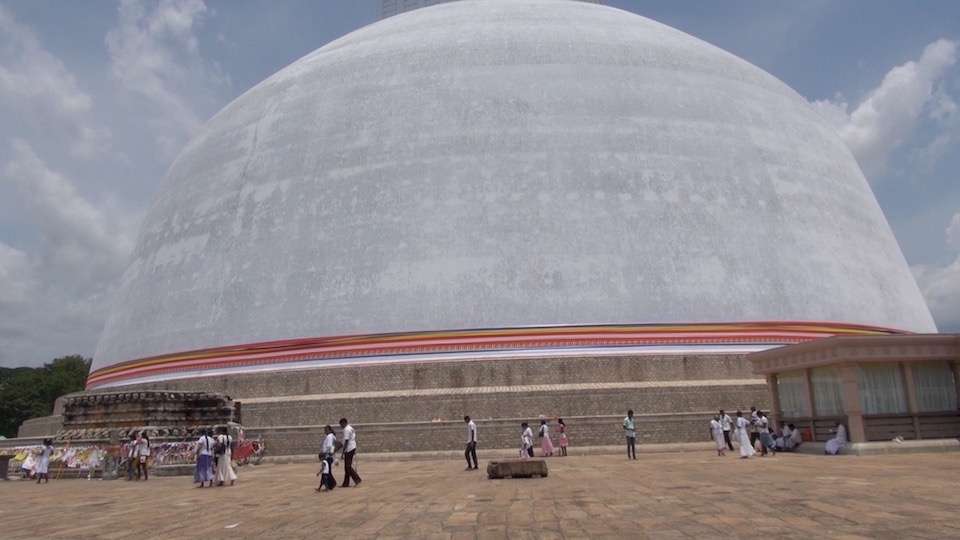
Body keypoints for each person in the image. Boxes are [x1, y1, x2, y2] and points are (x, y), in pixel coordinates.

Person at [339, 418, 362, 487]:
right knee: (346, 467)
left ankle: (357, 479)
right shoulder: (350, 428)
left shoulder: (346, 429)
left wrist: (343, 452)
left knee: (348, 466)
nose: (341, 426)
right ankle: (346, 483)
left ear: (344, 423)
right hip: (352, 447)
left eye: (341, 424)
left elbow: (346, 441)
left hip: (349, 448)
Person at [317, 425, 337, 492]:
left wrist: (325, 454)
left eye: (325, 430)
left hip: (327, 456)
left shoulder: (329, 436)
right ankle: (329, 485)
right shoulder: (333, 436)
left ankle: (332, 483)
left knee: (327, 472)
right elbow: (332, 447)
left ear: (329, 430)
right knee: (327, 472)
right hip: (329, 456)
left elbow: (329, 446)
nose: (325, 431)